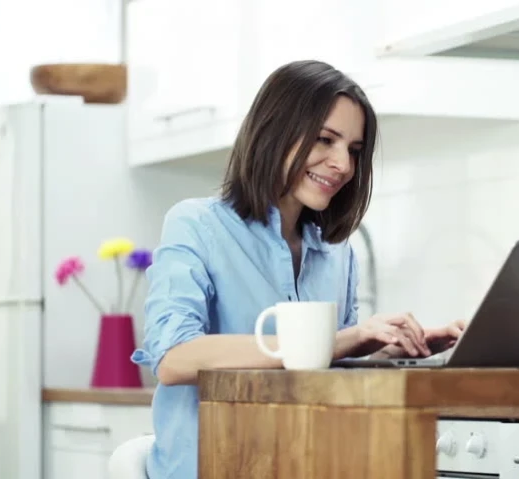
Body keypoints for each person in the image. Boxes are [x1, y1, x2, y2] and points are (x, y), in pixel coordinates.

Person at [130, 60, 466, 479]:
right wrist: (338, 340)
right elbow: (173, 358)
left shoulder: (337, 252)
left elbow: (325, 370)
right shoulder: (197, 225)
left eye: (355, 151)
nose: (343, 164)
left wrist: (389, 350)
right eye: (326, 139)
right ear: (275, 130)